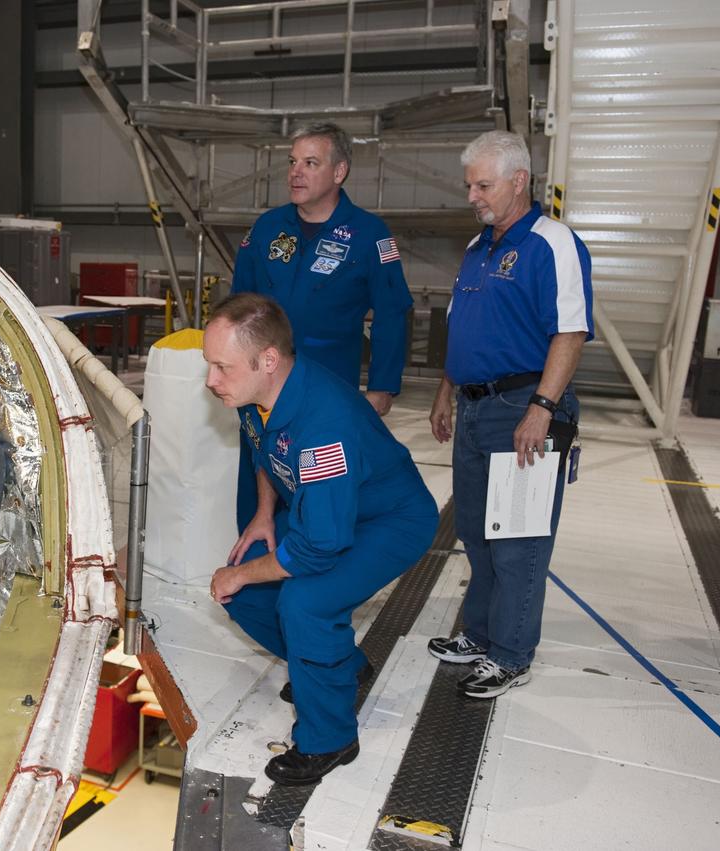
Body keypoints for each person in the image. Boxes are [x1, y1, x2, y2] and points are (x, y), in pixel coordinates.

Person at [204, 293, 437, 786]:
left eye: (221, 368)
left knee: (305, 602)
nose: (211, 381)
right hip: (331, 509)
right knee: (242, 590)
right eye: (210, 366)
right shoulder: (258, 394)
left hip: (389, 520)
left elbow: (317, 548)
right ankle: (341, 668)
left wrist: (243, 571)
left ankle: (330, 739)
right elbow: (263, 448)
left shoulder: (324, 425)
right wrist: (264, 515)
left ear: (268, 360)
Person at [426, 130, 592, 699]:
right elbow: (464, 329)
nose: (473, 195)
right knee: (475, 530)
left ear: (519, 181)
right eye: (469, 184)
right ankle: (480, 634)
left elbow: (570, 331)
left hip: (523, 408)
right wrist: (446, 390)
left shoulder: (553, 243)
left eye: (483, 184)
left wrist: (542, 409)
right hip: (474, 408)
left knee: (517, 538)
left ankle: (512, 653)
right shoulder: (478, 249)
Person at [231, 121, 415, 529]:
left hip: (329, 390)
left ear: (339, 172)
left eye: (310, 163)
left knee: (320, 495)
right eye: (293, 161)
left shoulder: (369, 235)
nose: (296, 171)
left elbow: (392, 311)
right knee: (257, 490)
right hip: (260, 388)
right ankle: (255, 574)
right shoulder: (267, 229)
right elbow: (238, 306)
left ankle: (313, 581)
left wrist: (383, 387)